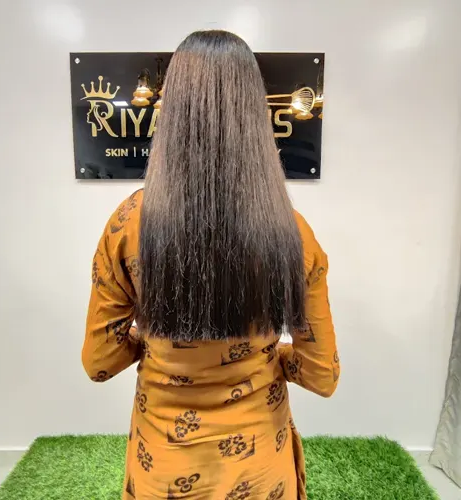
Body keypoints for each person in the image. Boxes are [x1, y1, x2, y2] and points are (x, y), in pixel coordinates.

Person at [82, 30, 339, 500]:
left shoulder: (128, 224)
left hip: (163, 468)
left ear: (173, 111)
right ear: (254, 113)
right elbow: (322, 376)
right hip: (261, 469)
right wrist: (266, 354)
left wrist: (156, 344)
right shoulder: (292, 232)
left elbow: (100, 363)